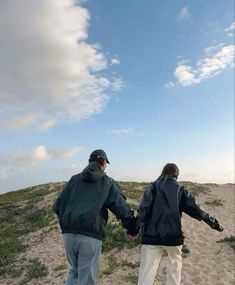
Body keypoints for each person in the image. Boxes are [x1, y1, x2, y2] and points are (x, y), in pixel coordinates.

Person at [53, 149, 137, 285]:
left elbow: (57, 205)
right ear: (103, 163)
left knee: (74, 271)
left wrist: (67, 221)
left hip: (68, 234)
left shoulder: (74, 180)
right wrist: (132, 226)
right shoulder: (107, 181)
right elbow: (120, 207)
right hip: (90, 236)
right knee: (87, 277)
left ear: (90, 162)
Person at [136, 163, 223, 285]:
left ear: (164, 173)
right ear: (177, 175)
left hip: (151, 236)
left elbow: (143, 210)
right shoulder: (181, 190)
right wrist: (212, 222)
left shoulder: (153, 187)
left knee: (146, 272)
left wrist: (134, 229)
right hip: (173, 236)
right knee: (174, 269)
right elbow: (197, 210)